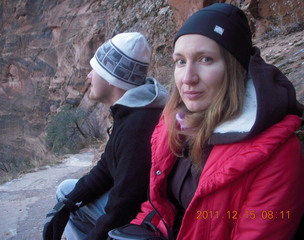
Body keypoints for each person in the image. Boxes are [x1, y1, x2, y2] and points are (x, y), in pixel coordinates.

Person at [109, 3, 304, 240]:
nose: (188, 78)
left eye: (205, 59)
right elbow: (158, 207)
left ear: (236, 69)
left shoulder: (277, 153)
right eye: (180, 61)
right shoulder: (175, 124)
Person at [43, 32, 168, 240]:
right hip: (130, 206)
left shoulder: (137, 128)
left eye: (95, 69)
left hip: (140, 219)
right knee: (66, 192)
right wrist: (68, 203)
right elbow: (106, 169)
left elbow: (125, 206)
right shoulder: (132, 110)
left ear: (112, 78)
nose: (89, 76)